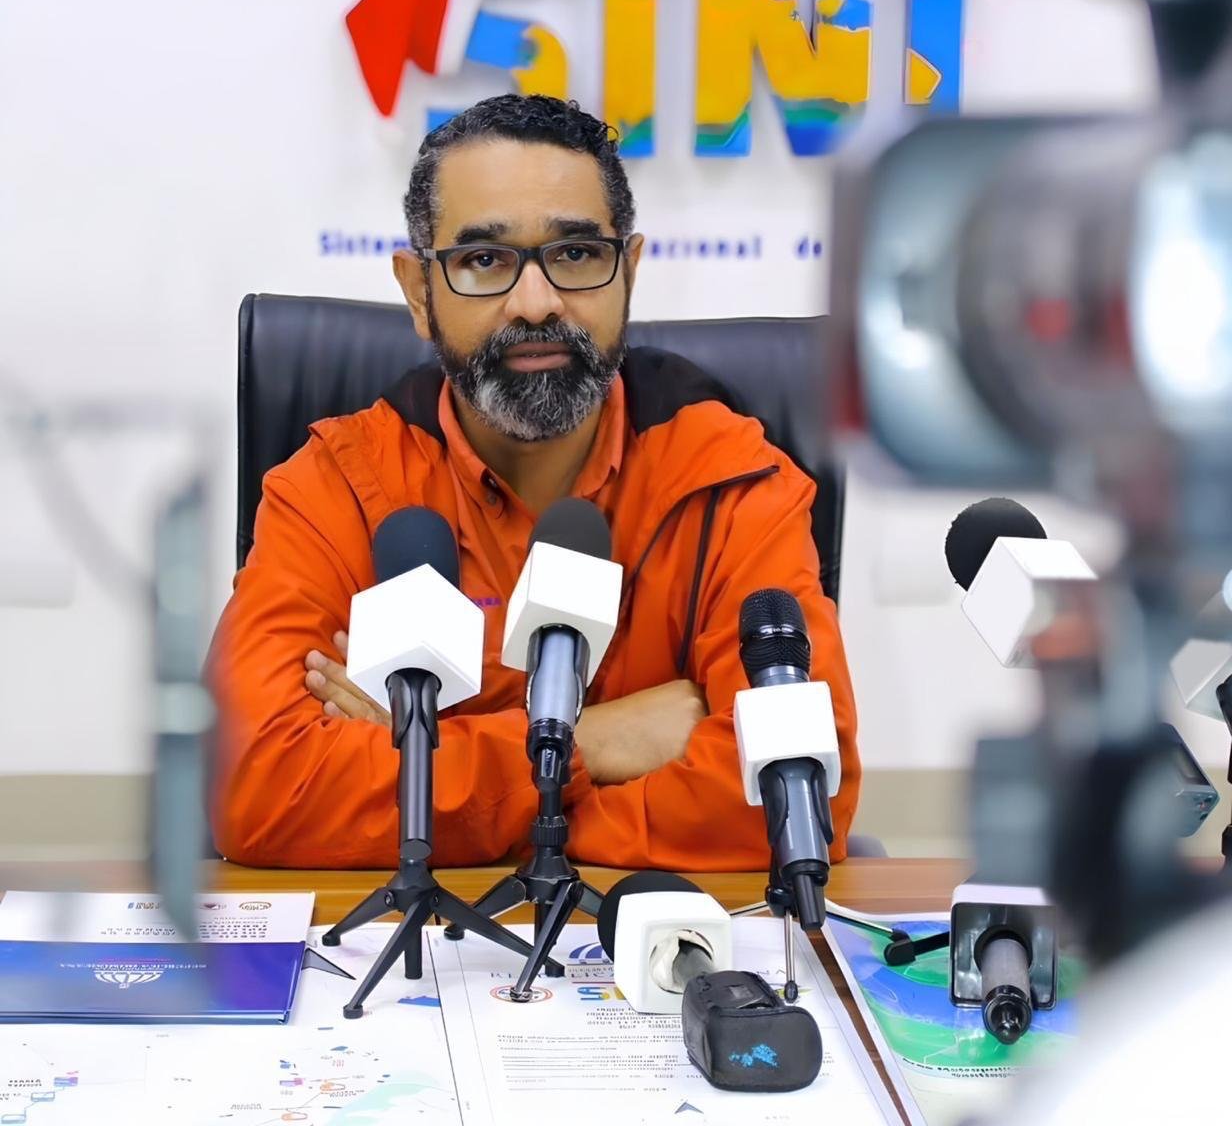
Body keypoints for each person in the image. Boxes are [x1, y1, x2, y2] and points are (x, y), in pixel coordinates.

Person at [209, 93, 860, 869]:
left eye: (576, 254)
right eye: (485, 260)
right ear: (418, 291)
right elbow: (256, 785)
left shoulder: (731, 481)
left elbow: (800, 799)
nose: (537, 303)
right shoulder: (338, 486)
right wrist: (590, 743)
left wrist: (433, 772)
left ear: (629, 272)